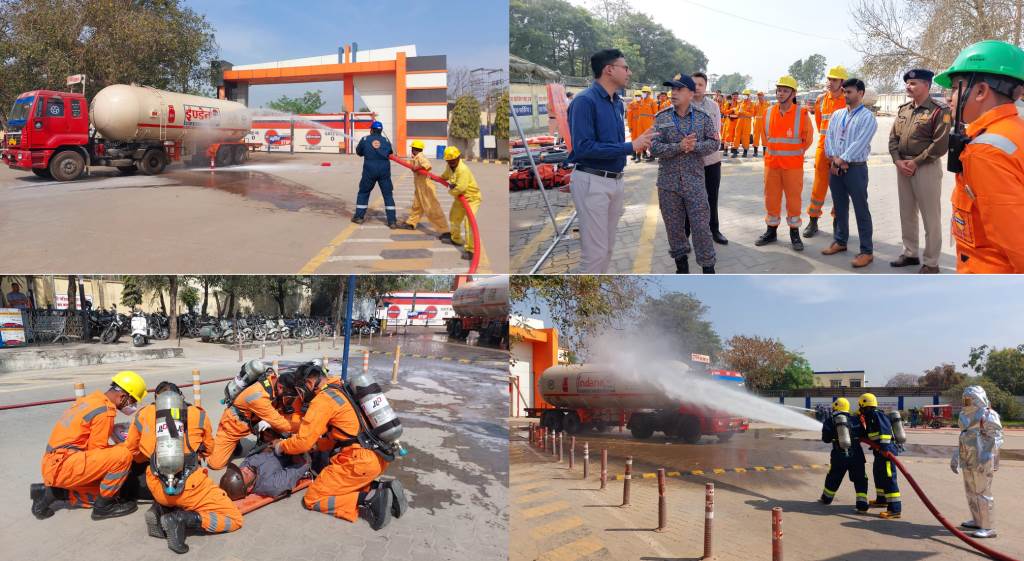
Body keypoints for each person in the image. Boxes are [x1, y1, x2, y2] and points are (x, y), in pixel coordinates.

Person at [273, 363, 402, 530]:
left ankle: (370, 500)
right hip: (378, 458)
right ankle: (383, 488)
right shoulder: (340, 388)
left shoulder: (322, 401)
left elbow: (302, 442)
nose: (300, 396)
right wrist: (317, 446)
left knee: (313, 497)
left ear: (309, 384)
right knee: (343, 485)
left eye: (300, 391)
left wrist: (281, 446)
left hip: (358, 463)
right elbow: (337, 436)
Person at [934, 40, 1024, 273]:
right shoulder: (1014, 130)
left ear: (981, 91)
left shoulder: (985, 151)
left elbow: (1018, 245)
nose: (949, 98)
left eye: (955, 88)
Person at [125, 381, 242, 554]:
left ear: (157, 400)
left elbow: (132, 450)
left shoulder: (143, 414)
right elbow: (209, 449)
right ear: (180, 396)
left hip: (156, 485)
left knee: (156, 477)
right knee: (233, 519)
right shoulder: (198, 413)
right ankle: (180, 519)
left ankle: (160, 508)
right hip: (190, 486)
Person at [566, 48, 656, 273]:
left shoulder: (616, 102)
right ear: (609, 70)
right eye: (625, 67)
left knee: (606, 249)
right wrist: (630, 147)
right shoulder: (585, 101)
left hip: (615, 180)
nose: (629, 72)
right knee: (594, 253)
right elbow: (583, 147)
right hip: (593, 181)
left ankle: (594, 293)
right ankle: (585, 295)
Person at [32, 371, 146, 520]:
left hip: (54, 463)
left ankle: (51, 493)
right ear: (123, 396)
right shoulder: (105, 411)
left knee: (114, 472)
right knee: (123, 456)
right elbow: (97, 450)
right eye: (133, 401)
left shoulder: (93, 400)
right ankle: (103, 507)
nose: (133, 405)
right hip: (64, 465)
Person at [651, 73, 719, 274]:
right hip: (668, 184)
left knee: (701, 228)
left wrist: (695, 146)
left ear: (690, 93)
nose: (673, 93)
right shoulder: (661, 117)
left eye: (679, 89)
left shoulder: (703, 118)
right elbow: (653, 147)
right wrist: (678, 147)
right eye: (672, 89)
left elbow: (714, 143)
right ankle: (682, 268)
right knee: (674, 230)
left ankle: (708, 269)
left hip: (695, 182)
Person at [889, 69, 951, 274]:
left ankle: (931, 262)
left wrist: (916, 162)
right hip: (903, 166)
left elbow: (940, 144)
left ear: (927, 85)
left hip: (925, 167)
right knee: (906, 213)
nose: (908, 86)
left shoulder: (939, 110)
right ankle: (910, 253)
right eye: (907, 83)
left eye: (913, 83)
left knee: (930, 216)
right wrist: (898, 161)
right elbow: (893, 139)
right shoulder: (904, 109)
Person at [823, 78, 878, 268]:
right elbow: (829, 137)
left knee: (861, 209)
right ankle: (840, 241)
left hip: (855, 169)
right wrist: (833, 159)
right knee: (839, 207)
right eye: (844, 91)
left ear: (860, 93)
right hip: (835, 167)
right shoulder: (837, 115)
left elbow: (860, 143)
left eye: (849, 92)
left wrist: (842, 159)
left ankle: (866, 251)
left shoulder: (868, 118)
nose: (845, 95)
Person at [755, 75, 814, 252]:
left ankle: (794, 233)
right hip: (772, 164)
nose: (780, 93)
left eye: (785, 90)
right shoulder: (768, 113)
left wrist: (793, 153)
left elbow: (808, 139)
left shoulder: (802, 114)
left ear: (793, 93)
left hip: (793, 166)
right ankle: (771, 231)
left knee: (793, 200)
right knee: (771, 199)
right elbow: (765, 137)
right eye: (779, 90)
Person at [209, 360, 294, 470]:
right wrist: (302, 429)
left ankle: (263, 442)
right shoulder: (259, 396)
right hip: (233, 425)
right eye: (288, 395)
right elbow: (279, 423)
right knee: (215, 464)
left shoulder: (273, 380)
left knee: (277, 423)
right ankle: (233, 443)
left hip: (253, 419)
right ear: (281, 387)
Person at [950, 386, 1004, 538]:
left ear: (978, 399)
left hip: (983, 459)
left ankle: (988, 527)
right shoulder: (964, 415)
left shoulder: (988, 414)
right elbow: (963, 436)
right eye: (964, 399)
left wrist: (988, 456)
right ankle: (977, 520)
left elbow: (997, 437)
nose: (966, 402)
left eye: (969, 399)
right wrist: (956, 455)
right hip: (967, 458)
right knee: (970, 491)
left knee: (982, 492)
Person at [805, 66, 850, 237]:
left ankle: (837, 221)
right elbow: (819, 124)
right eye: (829, 79)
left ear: (842, 82)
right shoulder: (821, 99)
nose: (830, 82)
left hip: (842, 151)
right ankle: (813, 221)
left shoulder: (848, 100)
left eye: (834, 80)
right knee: (818, 185)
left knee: (841, 187)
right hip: (823, 148)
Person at [686, 72, 728, 245]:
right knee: (688, 199)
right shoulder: (683, 104)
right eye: (694, 84)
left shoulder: (713, 106)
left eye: (700, 84)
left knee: (712, 196)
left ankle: (714, 229)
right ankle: (685, 234)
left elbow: (715, 132)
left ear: (705, 87)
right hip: (689, 161)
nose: (697, 87)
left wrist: (702, 145)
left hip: (711, 160)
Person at [819, 398, 869, 513]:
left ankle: (827, 498)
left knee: (834, 477)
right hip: (857, 455)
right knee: (860, 478)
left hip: (839, 456)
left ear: (836, 407)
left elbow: (826, 439)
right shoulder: (856, 419)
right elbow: (864, 434)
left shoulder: (830, 420)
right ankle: (862, 504)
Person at [857, 393, 901, 519]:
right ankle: (882, 499)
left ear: (865, 404)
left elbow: (885, 433)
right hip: (879, 453)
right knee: (878, 475)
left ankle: (894, 509)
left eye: (861, 406)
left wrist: (884, 449)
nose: (860, 409)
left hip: (886, 453)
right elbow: (870, 435)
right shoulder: (870, 416)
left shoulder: (877, 415)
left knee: (888, 479)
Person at [399, 139, 451, 239]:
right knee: (417, 206)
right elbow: (410, 164)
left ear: (414, 149)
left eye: (412, 148)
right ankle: (411, 223)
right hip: (419, 186)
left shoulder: (420, 157)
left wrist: (417, 168)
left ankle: (444, 231)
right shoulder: (415, 158)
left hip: (426, 187)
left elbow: (427, 165)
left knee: (432, 208)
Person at [352, 121, 398, 228]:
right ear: (381, 131)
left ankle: (359, 217)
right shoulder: (386, 140)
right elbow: (390, 152)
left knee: (364, 193)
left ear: (371, 130)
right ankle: (392, 221)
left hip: (369, 171)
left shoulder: (365, 139)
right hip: (384, 171)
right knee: (388, 195)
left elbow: (359, 152)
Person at [440, 146, 482, 262]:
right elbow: (445, 176)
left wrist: (450, 190)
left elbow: (460, 188)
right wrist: (437, 178)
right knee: (454, 218)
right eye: (449, 161)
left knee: (469, 223)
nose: (452, 163)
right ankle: (456, 238)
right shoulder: (449, 166)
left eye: (453, 160)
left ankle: (470, 250)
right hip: (460, 198)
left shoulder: (463, 170)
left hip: (472, 199)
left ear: (458, 158)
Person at [220, 448, 309, 500]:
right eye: (246, 474)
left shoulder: (244, 468)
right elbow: (303, 464)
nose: (246, 468)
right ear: (249, 488)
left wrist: (268, 444)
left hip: (279, 444)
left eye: (240, 469)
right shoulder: (272, 485)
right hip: (299, 451)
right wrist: (293, 449)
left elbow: (255, 453)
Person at [733, 90, 754, 157]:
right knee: (737, 135)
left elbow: (751, 114)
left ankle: (745, 152)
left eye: (746, 94)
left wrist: (743, 112)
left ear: (748, 95)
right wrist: (738, 112)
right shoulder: (740, 103)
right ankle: (735, 151)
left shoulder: (751, 104)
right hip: (739, 120)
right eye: (743, 94)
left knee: (746, 136)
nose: (744, 96)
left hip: (747, 121)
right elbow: (736, 112)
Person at [752, 92, 769, 157]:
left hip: (764, 122)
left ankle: (765, 152)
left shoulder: (767, 104)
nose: (759, 97)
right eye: (758, 96)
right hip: (757, 122)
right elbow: (753, 113)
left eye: (761, 95)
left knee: (764, 137)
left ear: (763, 96)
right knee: (755, 136)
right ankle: (755, 152)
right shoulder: (755, 104)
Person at [627, 91, 642, 162]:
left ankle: (638, 155)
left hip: (641, 125)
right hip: (634, 124)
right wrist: (630, 126)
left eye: (639, 95)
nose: (637, 97)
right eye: (636, 95)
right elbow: (629, 116)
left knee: (640, 140)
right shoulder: (631, 104)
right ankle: (634, 154)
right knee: (633, 140)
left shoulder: (643, 104)